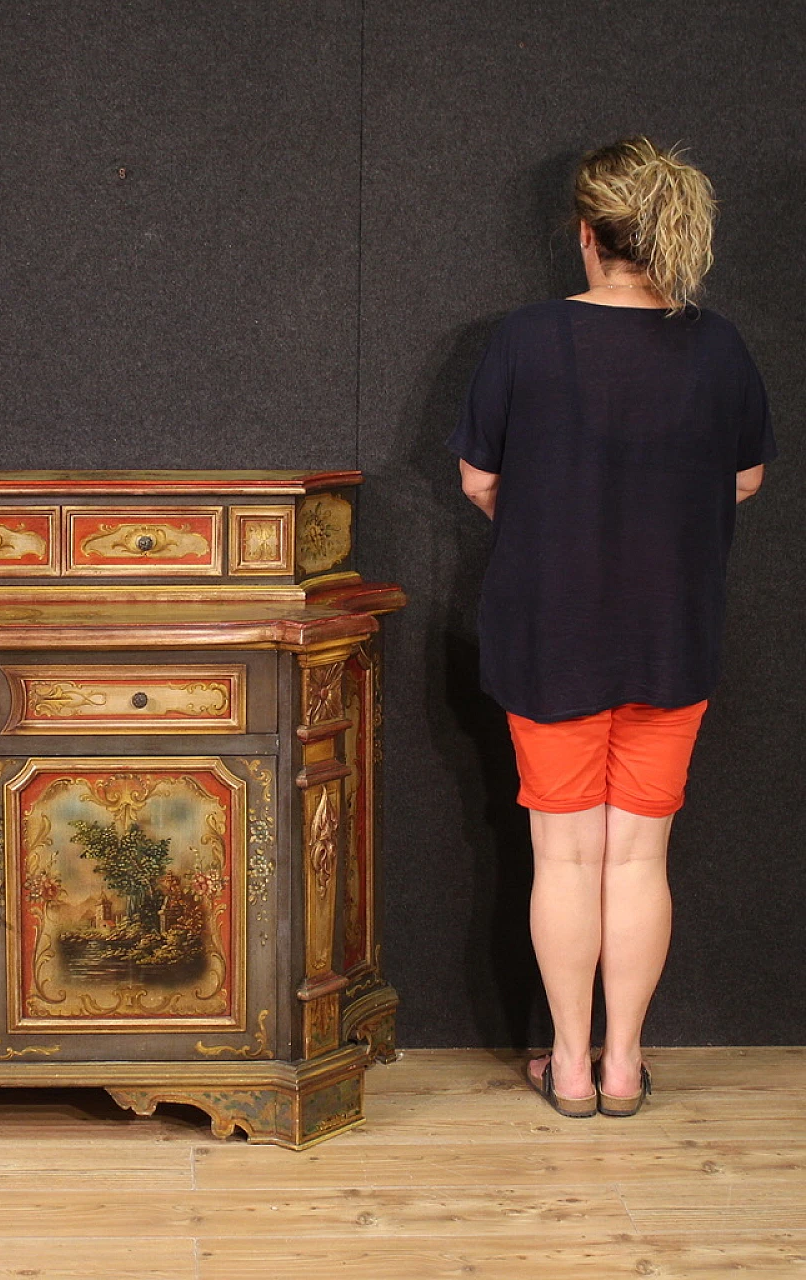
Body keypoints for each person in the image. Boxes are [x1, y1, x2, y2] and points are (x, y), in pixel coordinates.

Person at [448, 137, 776, 1118]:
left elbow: (475, 477)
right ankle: (623, 1065)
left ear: (587, 234)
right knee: (637, 857)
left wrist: (553, 513)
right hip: (671, 634)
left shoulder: (523, 339)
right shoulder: (718, 346)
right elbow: (746, 477)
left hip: (547, 633)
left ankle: (568, 1064)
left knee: (564, 858)